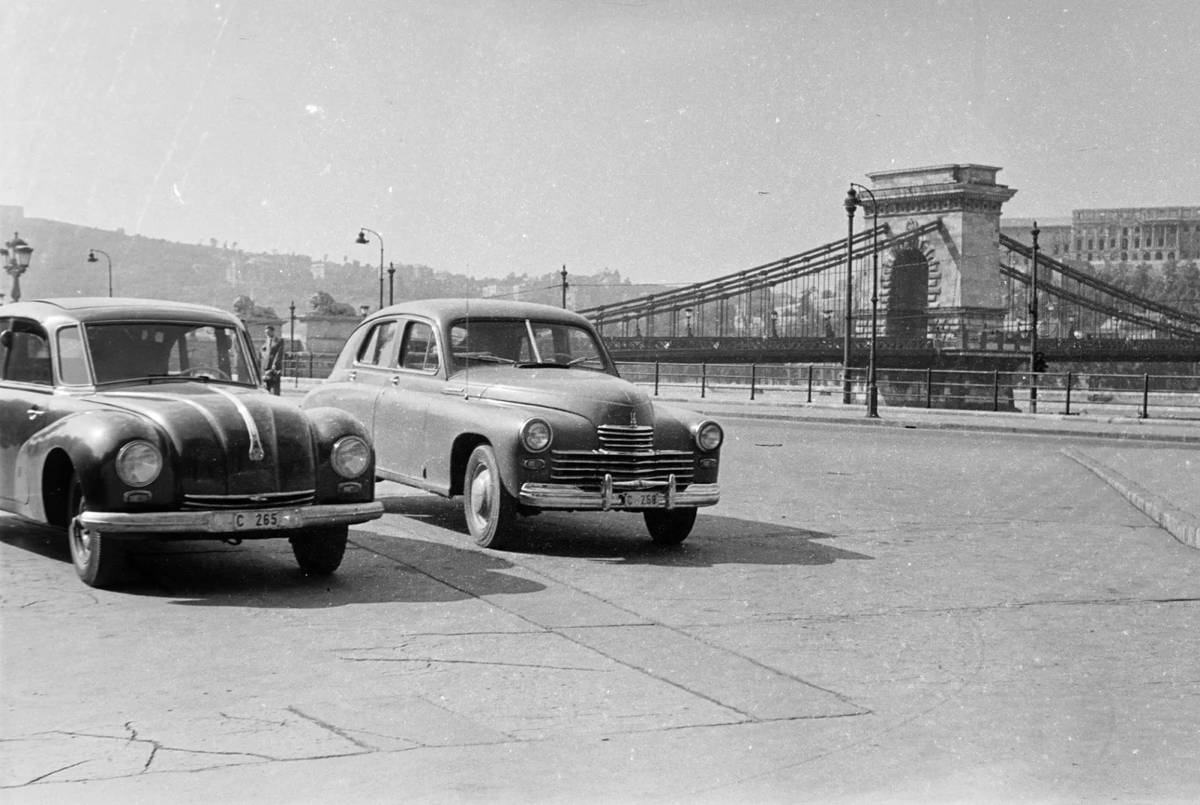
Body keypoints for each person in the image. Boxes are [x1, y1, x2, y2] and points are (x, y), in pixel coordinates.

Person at [261, 325, 284, 395]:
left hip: (274, 368)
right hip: (265, 367)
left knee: (275, 388)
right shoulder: (266, 341)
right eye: (266, 333)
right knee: (266, 387)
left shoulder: (279, 341)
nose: (267, 334)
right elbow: (263, 353)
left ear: (273, 332)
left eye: (268, 332)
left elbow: (279, 354)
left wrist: (274, 364)